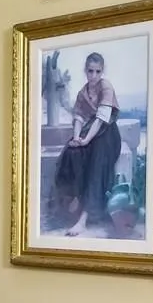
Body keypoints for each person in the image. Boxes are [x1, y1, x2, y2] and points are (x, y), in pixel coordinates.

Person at [51, 52, 120, 236]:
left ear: (102, 71)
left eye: (98, 71)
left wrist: (86, 140)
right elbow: (79, 117)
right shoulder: (83, 93)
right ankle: (74, 196)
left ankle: (83, 218)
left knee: (97, 159)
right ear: (86, 71)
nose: (94, 76)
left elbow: (100, 120)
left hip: (108, 135)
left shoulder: (106, 87)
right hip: (90, 131)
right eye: (90, 71)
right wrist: (76, 139)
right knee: (71, 152)